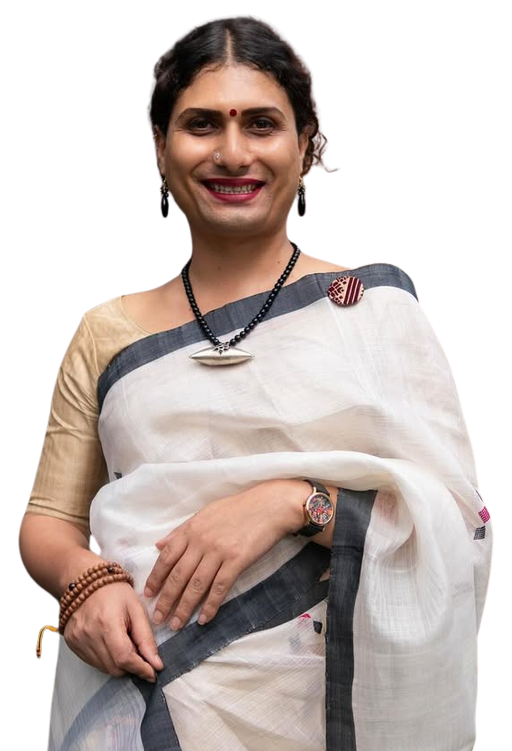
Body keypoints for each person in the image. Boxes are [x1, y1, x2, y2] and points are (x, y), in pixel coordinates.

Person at [19, 14, 493, 751]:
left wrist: (287, 503)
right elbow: (48, 521)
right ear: (160, 147)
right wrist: (85, 580)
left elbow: (460, 529)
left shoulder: (373, 313)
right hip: (142, 700)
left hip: (331, 715)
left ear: (304, 146)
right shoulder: (107, 330)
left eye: (262, 124)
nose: (233, 153)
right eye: (202, 124)